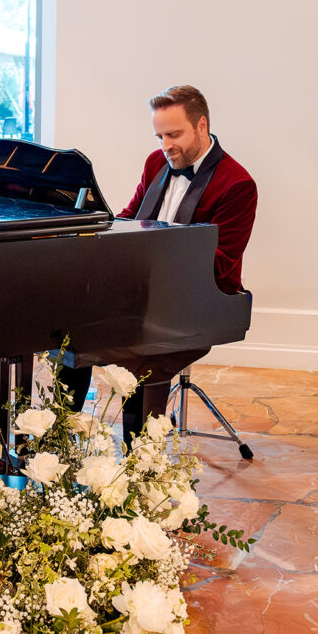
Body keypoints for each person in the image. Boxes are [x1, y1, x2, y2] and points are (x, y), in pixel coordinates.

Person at [61, 85, 258, 437]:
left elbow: (220, 264)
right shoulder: (157, 162)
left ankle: (140, 465)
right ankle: (58, 442)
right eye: (159, 135)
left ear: (201, 126)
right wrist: (98, 232)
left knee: (143, 359)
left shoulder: (238, 184)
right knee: (71, 335)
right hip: (144, 294)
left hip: (200, 303)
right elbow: (130, 217)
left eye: (174, 134)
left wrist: (148, 264)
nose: (165, 145)